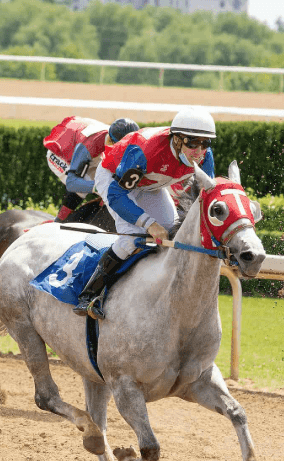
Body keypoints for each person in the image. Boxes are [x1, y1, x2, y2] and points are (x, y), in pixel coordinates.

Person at [73, 107, 216, 319]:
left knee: (173, 230)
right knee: (131, 239)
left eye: (205, 143)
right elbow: (117, 194)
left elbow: (206, 196)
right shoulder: (146, 150)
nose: (199, 151)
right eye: (192, 143)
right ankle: (88, 296)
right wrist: (149, 223)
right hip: (114, 180)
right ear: (176, 140)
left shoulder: (204, 157)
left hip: (149, 184)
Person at [43, 116, 140, 222]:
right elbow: (72, 183)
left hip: (87, 146)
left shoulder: (121, 140)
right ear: (110, 140)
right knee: (86, 181)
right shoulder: (91, 145)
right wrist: (100, 187)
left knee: (108, 179)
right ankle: (58, 222)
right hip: (60, 154)